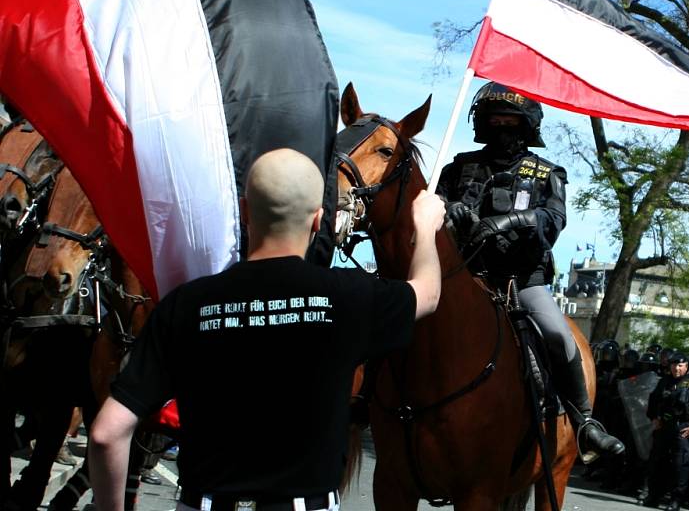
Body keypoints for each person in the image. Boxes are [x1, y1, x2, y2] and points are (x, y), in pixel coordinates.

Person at [89, 148, 445, 511]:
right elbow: (428, 293)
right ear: (317, 220)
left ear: (245, 211)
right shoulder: (350, 296)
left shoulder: (185, 304)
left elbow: (106, 434)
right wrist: (426, 228)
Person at [436, 81, 624, 462]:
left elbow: (554, 219)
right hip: (464, 273)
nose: (502, 128)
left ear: (526, 126)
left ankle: (584, 422)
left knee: (557, 333)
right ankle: (367, 398)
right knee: (409, 311)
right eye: (495, 120)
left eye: (510, 121)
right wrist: (447, 206)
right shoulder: (459, 166)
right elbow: (432, 204)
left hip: (520, 281)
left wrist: (507, 223)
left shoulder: (548, 173)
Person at [640, 352, 689, 511]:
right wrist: (654, 418)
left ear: (686, 366)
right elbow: (653, 401)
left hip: (681, 428)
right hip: (664, 427)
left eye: (680, 365)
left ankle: (676, 501)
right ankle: (654, 496)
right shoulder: (664, 381)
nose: (676, 368)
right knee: (657, 463)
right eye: (673, 365)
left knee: (680, 466)